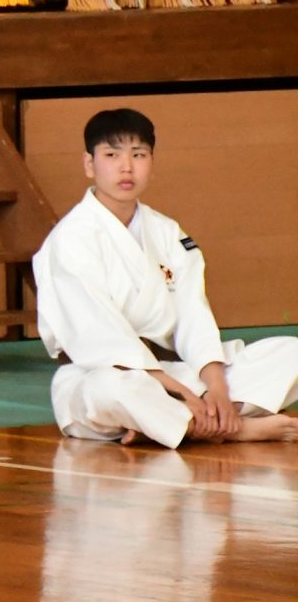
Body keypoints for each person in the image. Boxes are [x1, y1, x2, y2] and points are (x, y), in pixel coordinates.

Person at [35, 107, 298, 447]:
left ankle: (188, 421)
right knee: (114, 390)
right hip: (104, 374)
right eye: (112, 155)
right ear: (89, 164)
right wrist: (184, 394)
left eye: (138, 154)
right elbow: (100, 340)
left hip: (177, 372)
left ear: (151, 163)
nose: (126, 167)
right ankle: (234, 428)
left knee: (290, 351)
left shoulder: (167, 232)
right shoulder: (71, 238)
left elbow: (193, 317)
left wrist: (216, 389)